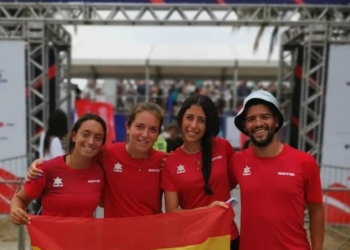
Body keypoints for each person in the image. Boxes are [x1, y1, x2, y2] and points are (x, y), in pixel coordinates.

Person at [26, 102, 167, 218]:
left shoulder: (164, 161)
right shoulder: (106, 153)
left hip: (151, 240)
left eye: (153, 129)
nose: (145, 134)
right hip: (115, 242)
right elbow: (73, 159)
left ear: (158, 134)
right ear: (128, 127)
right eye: (140, 127)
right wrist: (40, 165)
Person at [230, 90, 324, 250]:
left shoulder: (305, 162)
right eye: (251, 119)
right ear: (245, 127)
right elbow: (210, 184)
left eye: (264, 117)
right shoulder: (237, 161)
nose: (258, 123)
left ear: (276, 121)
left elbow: (316, 211)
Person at [161, 94, 240, 250]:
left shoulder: (223, 147)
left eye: (201, 120)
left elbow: (231, 181)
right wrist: (209, 210)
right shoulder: (170, 162)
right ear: (181, 118)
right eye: (189, 118)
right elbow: (172, 212)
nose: (194, 125)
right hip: (192, 242)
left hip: (226, 237)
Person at [11, 113, 107, 225]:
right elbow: (20, 199)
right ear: (74, 136)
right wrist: (16, 211)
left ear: (102, 143)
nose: (91, 141)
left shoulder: (99, 173)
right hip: (50, 241)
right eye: (85, 134)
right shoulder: (46, 169)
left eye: (98, 137)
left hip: (83, 241)